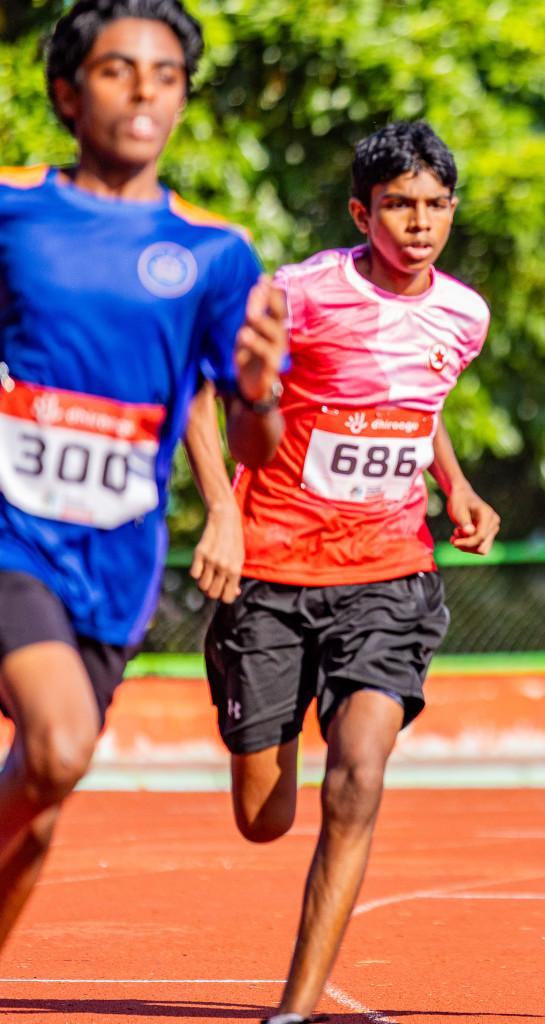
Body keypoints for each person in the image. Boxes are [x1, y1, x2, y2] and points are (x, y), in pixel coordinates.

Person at [191, 120, 499, 1024]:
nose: (419, 222)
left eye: (436, 204)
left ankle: (294, 1008)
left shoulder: (464, 313)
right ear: (362, 211)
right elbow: (201, 394)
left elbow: (417, 400)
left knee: (358, 771)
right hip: (273, 575)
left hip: (390, 573)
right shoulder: (296, 296)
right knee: (264, 815)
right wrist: (221, 512)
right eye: (398, 204)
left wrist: (456, 484)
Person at [0, 0, 285, 952]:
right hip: (12, 532)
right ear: (67, 94)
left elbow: (251, 443)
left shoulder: (217, 253)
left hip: (116, 562)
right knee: (59, 743)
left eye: (165, 75)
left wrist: (254, 387)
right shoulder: (13, 208)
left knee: (41, 804)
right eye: (120, 70)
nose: (145, 91)